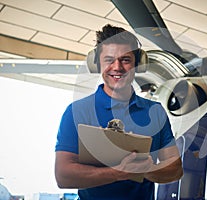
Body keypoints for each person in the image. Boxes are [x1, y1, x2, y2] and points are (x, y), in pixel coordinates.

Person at [54, 24, 183, 200]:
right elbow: (63, 176)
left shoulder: (155, 111)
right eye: (109, 60)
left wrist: (147, 170)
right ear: (97, 63)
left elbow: (175, 169)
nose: (117, 67)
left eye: (125, 60)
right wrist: (118, 172)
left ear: (138, 64)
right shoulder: (77, 112)